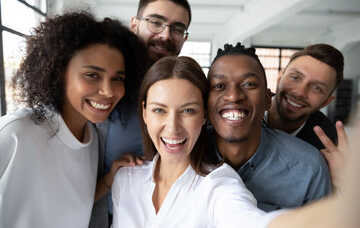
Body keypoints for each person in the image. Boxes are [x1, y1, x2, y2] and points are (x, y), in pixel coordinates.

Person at [112, 55, 360, 228]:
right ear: (144, 112)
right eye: (159, 110)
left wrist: (350, 199)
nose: (173, 127)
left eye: (188, 111)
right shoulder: (125, 179)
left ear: (204, 115)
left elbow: (254, 223)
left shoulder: (219, 185)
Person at [0, 10, 146, 228]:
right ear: (60, 72)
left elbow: (74, 204)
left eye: (117, 78)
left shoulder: (91, 138)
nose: (108, 91)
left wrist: (108, 180)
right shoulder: (16, 133)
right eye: (92, 75)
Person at [91, 0, 192, 226]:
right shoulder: (107, 86)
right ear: (134, 24)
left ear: (184, 38)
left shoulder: (185, 89)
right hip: (100, 215)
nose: (166, 35)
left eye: (177, 28)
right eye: (156, 22)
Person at [206, 43, 331, 211]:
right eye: (219, 86)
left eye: (249, 84)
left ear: (267, 99)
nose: (233, 96)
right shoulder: (186, 154)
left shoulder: (310, 167)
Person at [266, 44, 344, 151]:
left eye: (316, 88)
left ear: (325, 102)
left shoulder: (327, 143)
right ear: (279, 78)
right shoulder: (246, 107)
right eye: (295, 77)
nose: (300, 93)